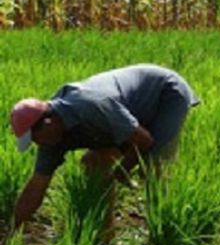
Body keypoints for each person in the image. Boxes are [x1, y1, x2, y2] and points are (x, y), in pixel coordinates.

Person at [8, 64, 200, 232]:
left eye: (35, 138)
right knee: (93, 165)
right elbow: (36, 186)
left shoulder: (90, 106)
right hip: (124, 118)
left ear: (48, 123)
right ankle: (106, 231)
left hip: (164, 93)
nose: (37, 144)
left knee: (151, 168)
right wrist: (12, 233)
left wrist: (122, 171)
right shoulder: (50, 138)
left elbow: (144, 141)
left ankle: (162, 237)